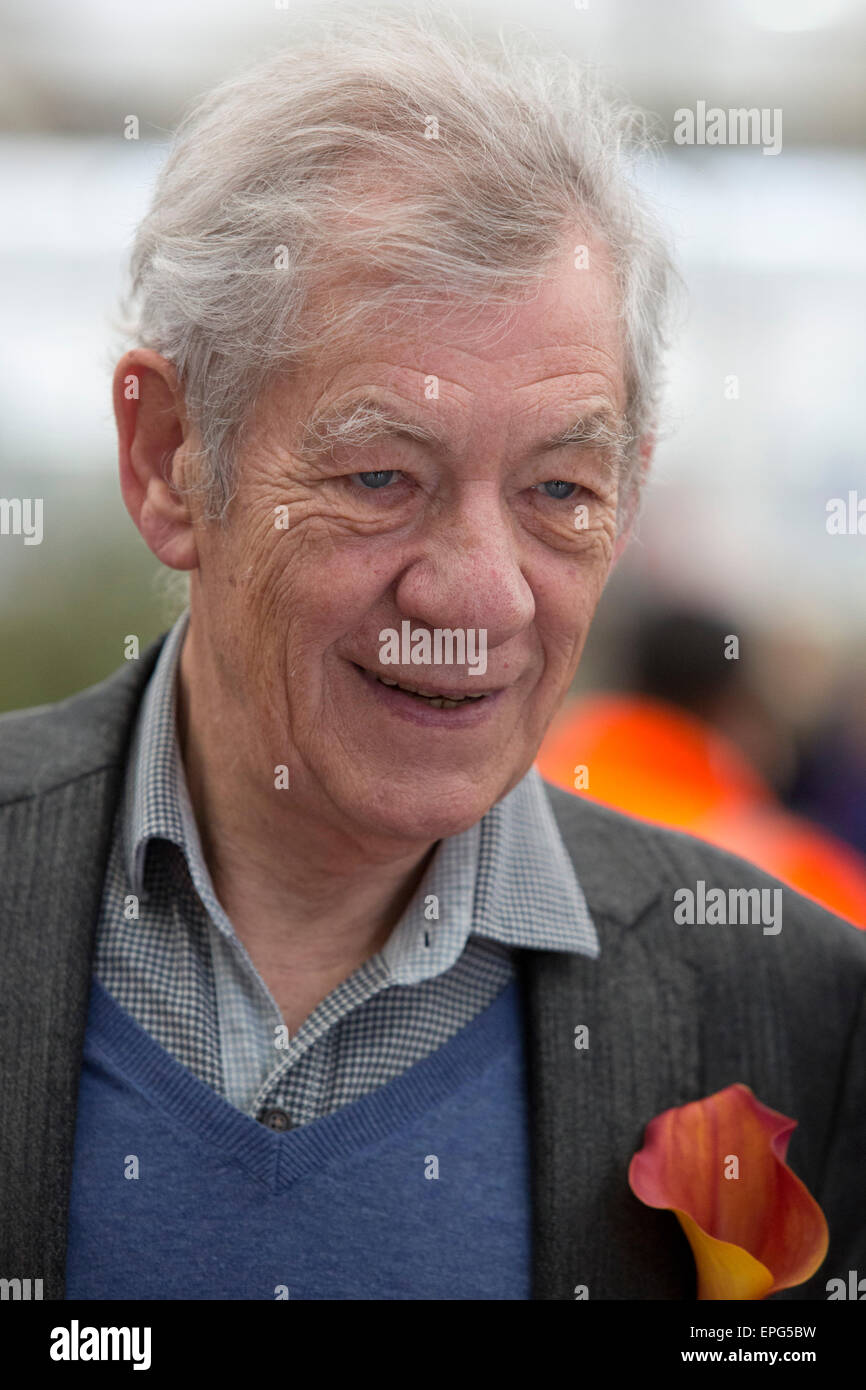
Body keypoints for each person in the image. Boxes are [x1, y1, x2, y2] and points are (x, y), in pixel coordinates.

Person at [1, 7, 863, 1301]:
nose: (479, 591)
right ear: (169, 457)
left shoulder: (794, 1013)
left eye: (557, 492)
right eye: (379, 475)